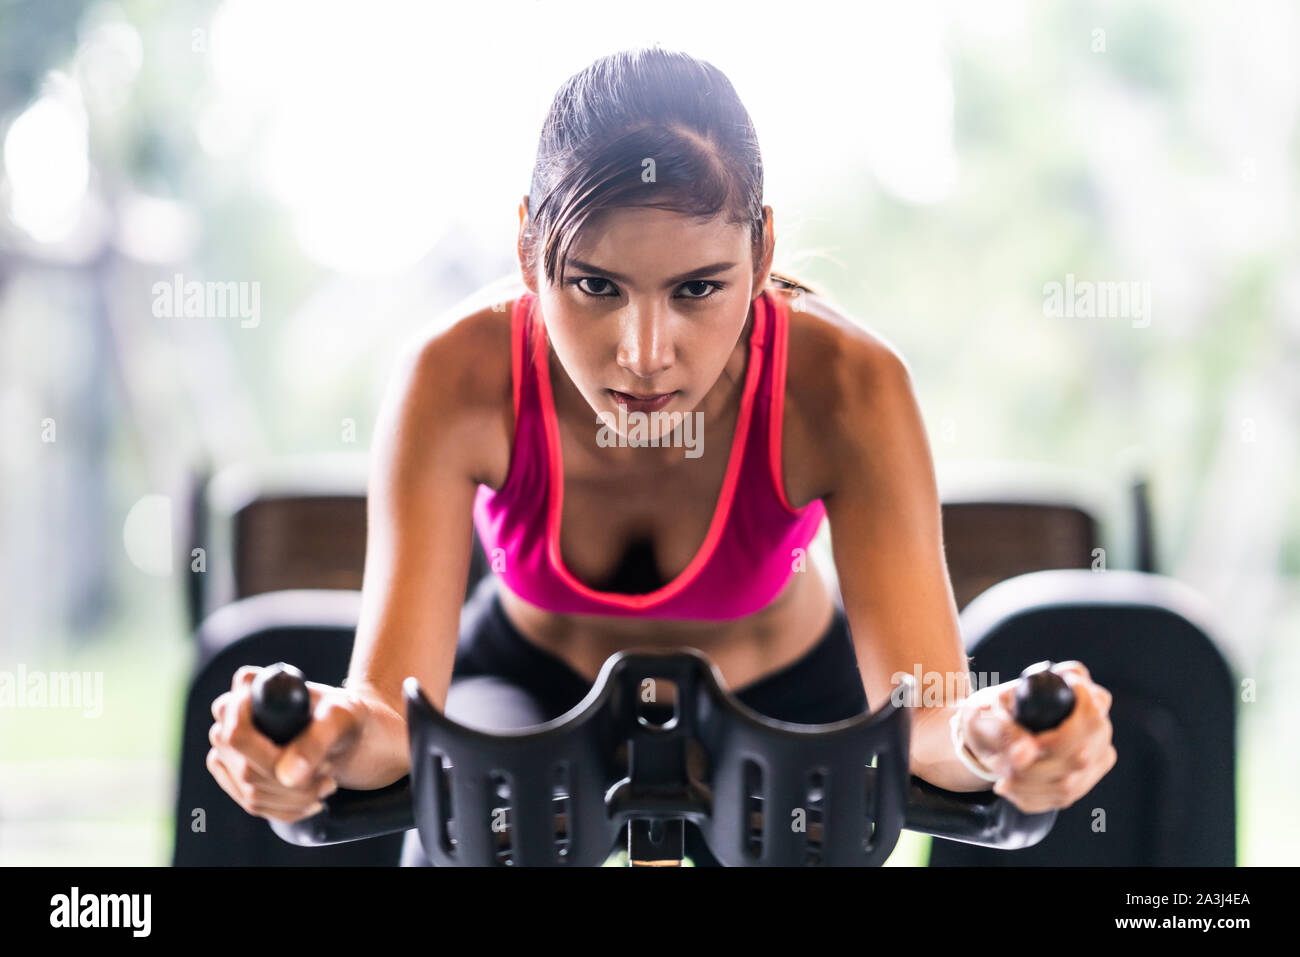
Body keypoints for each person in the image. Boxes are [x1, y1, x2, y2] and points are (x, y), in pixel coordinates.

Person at [207, 45, 1117, 866]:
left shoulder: (849, 386)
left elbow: (923, 718)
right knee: (468, 833)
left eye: (698, 288)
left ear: (761, 252)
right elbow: (388, 724)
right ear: (529, 251)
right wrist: (311, 746)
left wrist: (996, 743)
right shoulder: (453, 379)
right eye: (595, 285)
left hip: (784, 698)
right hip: (527, 686)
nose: (644, 351)